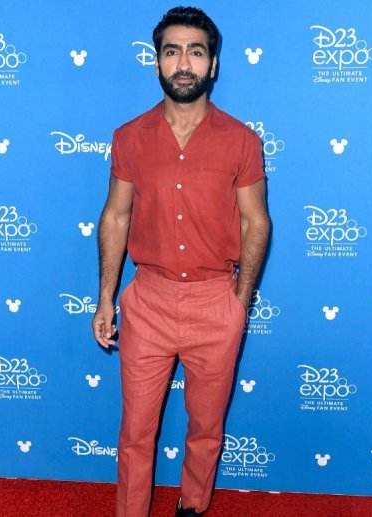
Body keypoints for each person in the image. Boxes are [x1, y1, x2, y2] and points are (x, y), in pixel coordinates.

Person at [91, 7, 270, 517]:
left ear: (213, 65)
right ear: (157, 64)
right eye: (172, 51)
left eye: (195, 51)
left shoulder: (241, 140)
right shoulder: (130, 137)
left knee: (207, 429)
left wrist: (239, 302)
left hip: (217, 301)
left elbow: (256, 222)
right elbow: (115, 216)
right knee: (134, 434)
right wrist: (106, 297)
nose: (183, 62)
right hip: (147, 299)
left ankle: (191, 508)